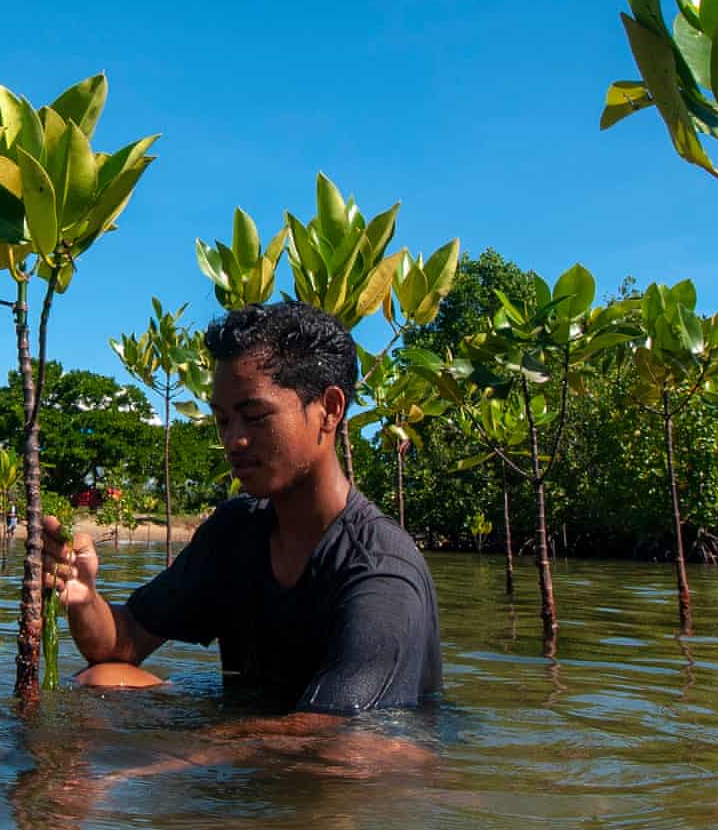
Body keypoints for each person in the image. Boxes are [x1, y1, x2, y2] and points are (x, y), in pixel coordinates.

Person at [41, 300, 441, 715]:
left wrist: (144, 766)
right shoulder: (235, 531)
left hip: (346, 760)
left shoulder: (379, 567)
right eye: (223, 420)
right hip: (260, 742)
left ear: (330, 410)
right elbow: (121, 643)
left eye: (254, 416)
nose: (233, 440)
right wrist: (84, 596)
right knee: (102, 678)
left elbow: (337, 737)